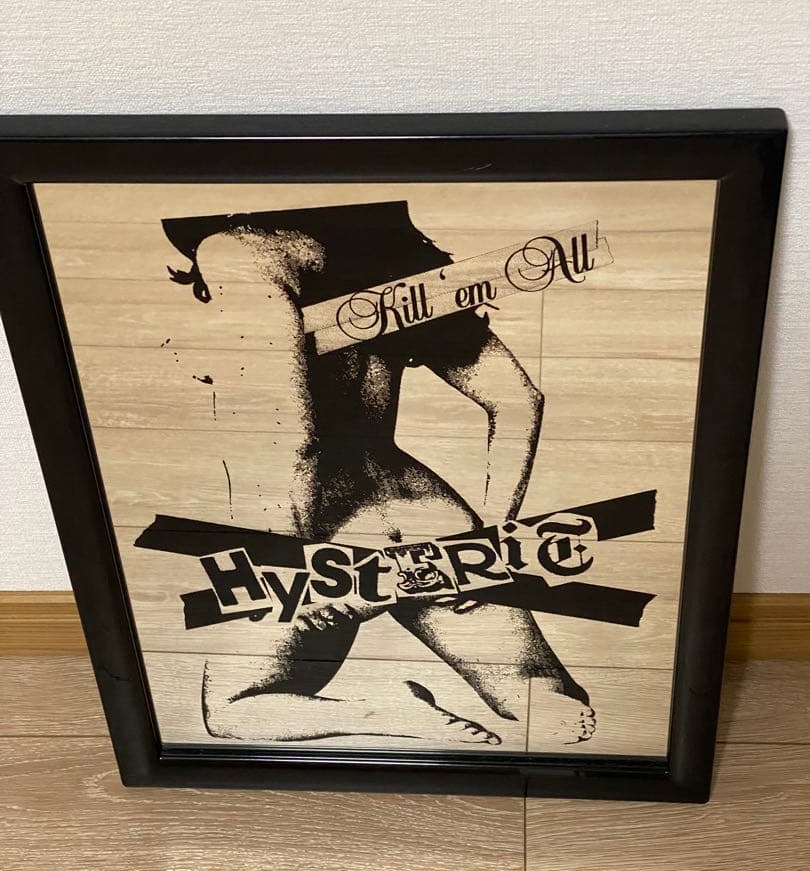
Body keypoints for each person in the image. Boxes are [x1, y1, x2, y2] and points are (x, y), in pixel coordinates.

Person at [163, 200, 596, 747]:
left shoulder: (238, 250)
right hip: (426, 514)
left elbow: (291, 437)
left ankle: (385, 711)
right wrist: (484, 541)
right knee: (548, 706)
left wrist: (298, 572)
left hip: (315, 527)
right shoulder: (380, 254)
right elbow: (518, 400)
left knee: (235, 709)